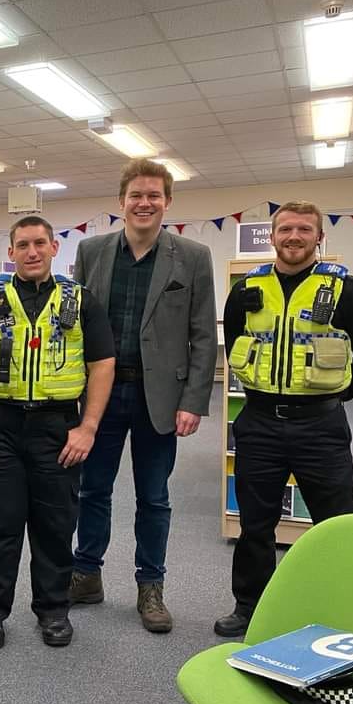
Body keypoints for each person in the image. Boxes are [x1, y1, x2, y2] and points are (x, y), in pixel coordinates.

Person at [214, 200, 353, 637]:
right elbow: (234, 341)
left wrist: (329, 401)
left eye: (304, 229)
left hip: (320, 427)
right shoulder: (247, 290)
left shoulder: (347, 290)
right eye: (285, 229)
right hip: (260, 423)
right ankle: (249, 607)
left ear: (319, 237)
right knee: (255, 525)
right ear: (271, 236)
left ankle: (336, 609)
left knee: (335, 525)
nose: (294, 236)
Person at [0, 216, 115, 649]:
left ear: (54, 248)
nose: (32, 251)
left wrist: (88, 427)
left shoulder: (80, 301)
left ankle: (53, 611)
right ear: (12, 251)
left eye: (40, 243)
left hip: (57, 429)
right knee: (1, 526)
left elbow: (102, 364)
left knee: (55, 526)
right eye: (23, 244)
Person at [70, 158, 217, 633]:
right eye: (136, 195)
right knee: (93, 489)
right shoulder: (92, 251)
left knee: (154, 498)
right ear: (121, 201)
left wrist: (194, 400)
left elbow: (202, 335)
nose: (144, 203)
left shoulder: (191, 257)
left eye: (154, 195)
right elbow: (76, 330)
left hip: (161, 398)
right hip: (102, 396)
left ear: (167, 202)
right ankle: (86, 574)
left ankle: (150, 586)